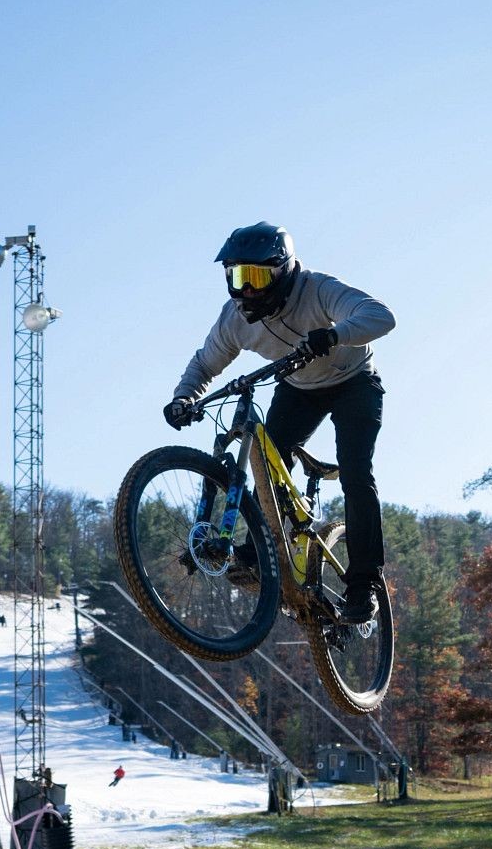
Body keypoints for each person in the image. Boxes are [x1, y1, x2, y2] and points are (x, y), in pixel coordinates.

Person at [165, 222, 395, 625]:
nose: (246, 290)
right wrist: (183, 398)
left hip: (354, 381)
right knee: (267, 466)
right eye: (237, 277)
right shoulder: (235, 318)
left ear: (284, 271)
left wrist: (334, 335)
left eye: (256, 278)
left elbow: (381, 317)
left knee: (356, 472)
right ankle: (258, 555)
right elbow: (205, 363)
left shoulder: (318, 289)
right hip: (299, 388)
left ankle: (364, 584)